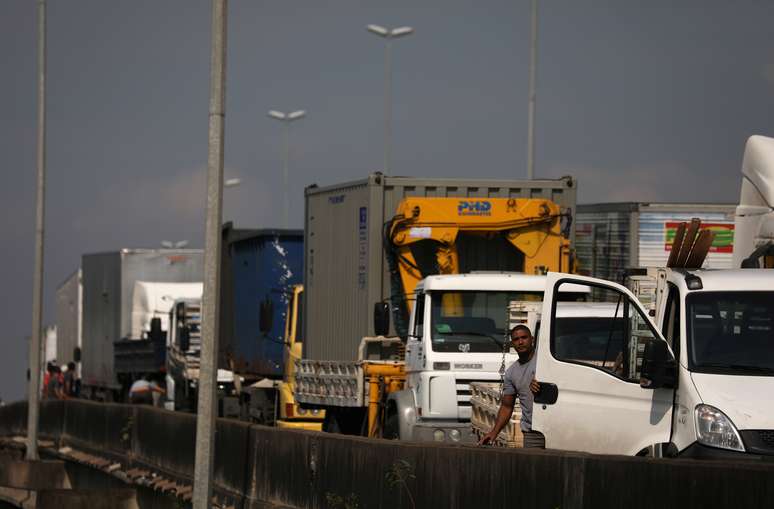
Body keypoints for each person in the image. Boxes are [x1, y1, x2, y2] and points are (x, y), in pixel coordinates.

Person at [478, 324, 544, 448]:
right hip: (532, 432)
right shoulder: (511, 373)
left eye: (524, 337)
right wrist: (494, 432)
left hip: (553, 427)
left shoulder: (545, 361)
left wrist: (543, 385)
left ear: (532, 339)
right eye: (516, 339)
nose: (520, 342)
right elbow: (507, 406)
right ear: (512, 344)